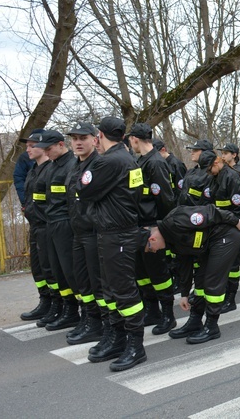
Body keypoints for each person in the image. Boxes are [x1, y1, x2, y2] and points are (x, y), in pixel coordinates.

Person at [77, 116, 146, 372]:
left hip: (117, 234)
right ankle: (117, 337)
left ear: (100, 135)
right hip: (114, 232)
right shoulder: (127, 158)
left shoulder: (109, 160)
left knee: (124, 291)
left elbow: (83, 191)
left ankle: (135, 346)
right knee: (112, 290)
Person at [145, 205, 240, 344]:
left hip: (225, 237)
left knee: (212, 282)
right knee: (200, 281)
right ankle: (195, 320)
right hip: (209, 244)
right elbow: (184, 266)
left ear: (152, 240)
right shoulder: (171, 240)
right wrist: (184, 294)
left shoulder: (175, 221)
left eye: (151, 250)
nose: (155, 251)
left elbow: (211, 211)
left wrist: (236, 221)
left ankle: (211, 326)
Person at [128, 123, 177, 336]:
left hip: (153, 226)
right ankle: (152, 310)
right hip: (139, 225)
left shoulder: (155, 163)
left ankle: (168, 314)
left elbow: (166, 199)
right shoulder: (140, 161)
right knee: (143, 272)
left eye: (131, 139)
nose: (130, 143)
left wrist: (161, 228)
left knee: (159, 273)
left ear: (136, 139)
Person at [64, 122, 105, 344]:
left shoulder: (98, 164)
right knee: (82, 281)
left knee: (97, 281)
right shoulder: (74, 166)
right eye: (74, 138)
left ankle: (101, 324)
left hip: (94, 232)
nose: (78, 142)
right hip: (78, 232)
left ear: (94, 140)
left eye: (83, 138)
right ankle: (89, 319)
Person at [37, 130, 80, 331]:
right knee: (58, 270)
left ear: (61, 145)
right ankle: (68, 310)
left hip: (66, 223)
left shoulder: (71, 165)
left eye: (49, 148)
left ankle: (84, 312)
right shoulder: (52, 167)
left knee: (71, 271)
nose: (47, 152)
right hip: (51, 223)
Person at [19, 130, 54, 322]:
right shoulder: (33, 169)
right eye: (27, 146)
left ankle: (58, 304)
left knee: (50, 268)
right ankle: (45, 300)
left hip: (47, 225)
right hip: (35, 224)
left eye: (32, 146)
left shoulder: (50, 168)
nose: (28, 150)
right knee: (37, 267)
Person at [205, 154, 240, 312]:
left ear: (216, 162)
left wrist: (236, 225)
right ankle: (225, 295)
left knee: (234, 265)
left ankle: (231, 298)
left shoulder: (232, 177)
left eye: (210, 168)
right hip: (221, 227)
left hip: (234, 227)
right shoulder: (216, 177)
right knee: (225, 266)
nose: (209, 172)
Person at [178, 140, 214, 206]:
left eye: (195, 150)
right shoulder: (191, 171)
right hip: (184, 211)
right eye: (192, 150)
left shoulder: (211, 173)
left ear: (205, 153)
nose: (192, 153)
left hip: (198, 213)